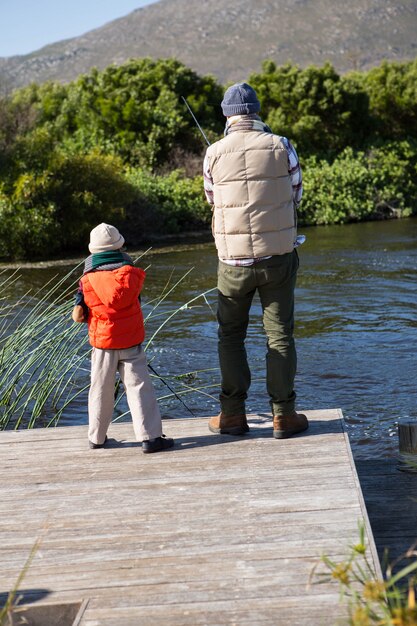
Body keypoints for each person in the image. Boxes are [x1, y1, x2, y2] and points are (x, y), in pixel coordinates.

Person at [203, 82, 308, 439]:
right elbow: (297, 191)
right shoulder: (281, 144)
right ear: (257, 111)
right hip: (278, 257)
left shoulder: (213, 152)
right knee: (279, 337)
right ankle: (284, 415)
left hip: (232, 263)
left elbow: (212, 199)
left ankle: (232, 415)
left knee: (230, 337)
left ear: (227, 115)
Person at [72, 222, 174, 454]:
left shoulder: (86, 281)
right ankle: (150, 439)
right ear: (119, 246)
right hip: (131, 342)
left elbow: (78, 316)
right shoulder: (132, 276)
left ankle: (96, 438)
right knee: (139, 388)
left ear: (93, 251)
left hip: (102, 344)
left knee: (100, 389)